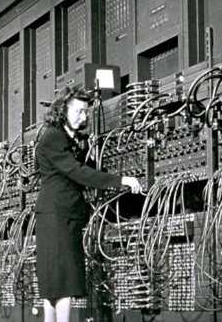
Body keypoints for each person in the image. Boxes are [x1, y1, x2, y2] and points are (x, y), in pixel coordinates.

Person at [34, 86, 142, 322]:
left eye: (86, 112)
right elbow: (77, 172)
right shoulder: (54, 137)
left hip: (62, 214)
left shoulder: (66, 138)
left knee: (55, 282)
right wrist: (121, 180)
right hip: (57, 214)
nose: (83, 117)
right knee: (62, 281)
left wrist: (91, 157)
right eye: (78, 111)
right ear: (63, 110)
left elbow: (82, 168)